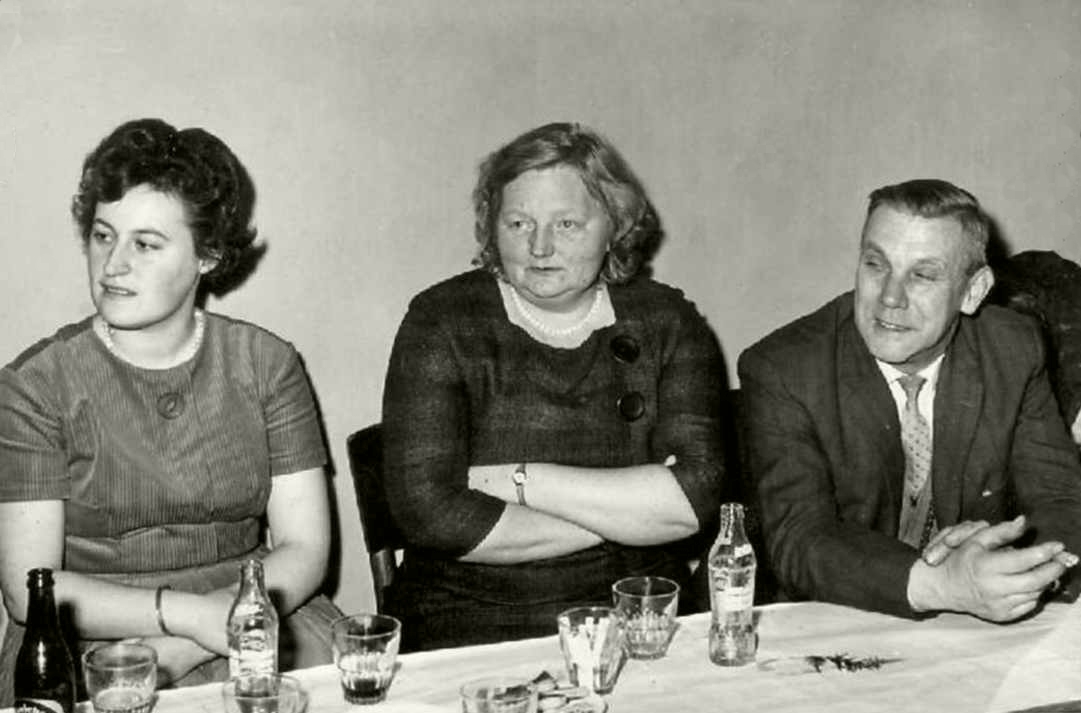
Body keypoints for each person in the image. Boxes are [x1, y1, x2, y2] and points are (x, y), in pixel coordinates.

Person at [0, 118, 340, 697]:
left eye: (146, 244)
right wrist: (188, 617)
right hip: (92, 635)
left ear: (208, 254)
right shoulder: (35, 386)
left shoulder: (268, 364)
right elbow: (27, 589)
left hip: (251, 613)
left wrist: (197, 640)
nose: (112, 265)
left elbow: (305, 549)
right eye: (103, 236)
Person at [381, 122, 726, 651]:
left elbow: (695, 497)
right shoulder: (443, 321)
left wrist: (518, 480)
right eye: (518, 222)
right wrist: (632, 515)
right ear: (492, 226)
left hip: (637, 610)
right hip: (474, 618)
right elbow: (432, 515)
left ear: (614, 226)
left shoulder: (666, 320)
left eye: (567, 224)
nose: (540, 247)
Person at [738, 179, 1081, 623]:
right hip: (830, 618)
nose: (890, 298)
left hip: (971, 626)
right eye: (876, 264)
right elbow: (800, 538)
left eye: (922, 275)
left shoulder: (1012, 347)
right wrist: (941, 584)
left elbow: (1061, 500)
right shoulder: (784, 368)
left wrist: (1019, 572)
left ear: (973, 291)